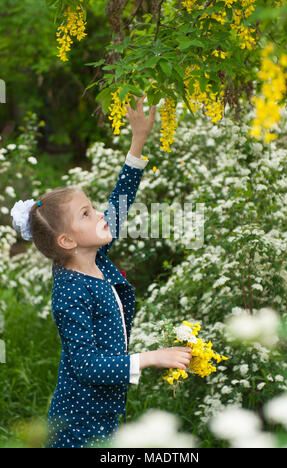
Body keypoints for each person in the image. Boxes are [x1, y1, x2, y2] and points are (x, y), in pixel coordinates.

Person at [10, 95, 192, 448]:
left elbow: (119, 205)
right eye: (86, 214)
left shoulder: (92, 257)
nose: (99, 216)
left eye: (91, 209)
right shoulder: (69, 291)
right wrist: (151, 358)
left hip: (104, 418)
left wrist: (138, 140)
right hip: (77, 429)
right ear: (66, 241)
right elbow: (86, 365)